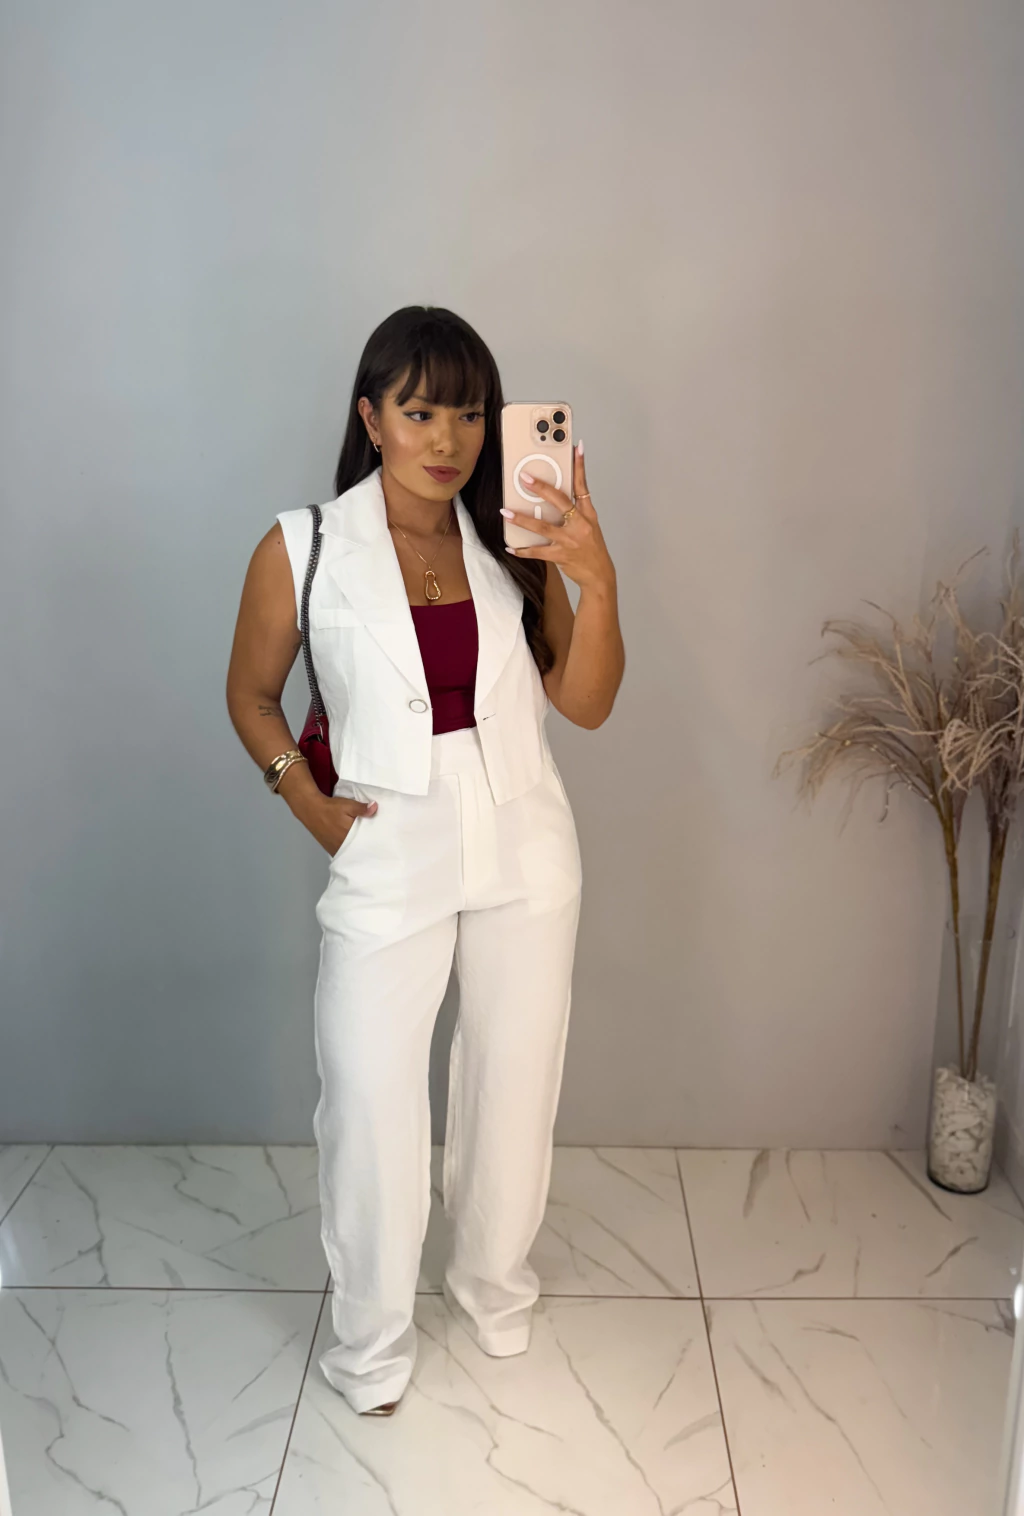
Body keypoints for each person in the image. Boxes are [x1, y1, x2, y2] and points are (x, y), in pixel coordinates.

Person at [226, 306, 624, 1416]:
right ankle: (370, 1344)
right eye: (418, 412)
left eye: (469, 413)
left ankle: (493, 1287)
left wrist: (595, 578)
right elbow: (250, 696)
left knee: (513, 1082)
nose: (447, 439)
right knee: (369, 1097)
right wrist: (310, 805)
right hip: (387, 842)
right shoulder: (302, 546)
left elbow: (586, 703)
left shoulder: (514, 541)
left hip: (524, 837)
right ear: (371, 418)